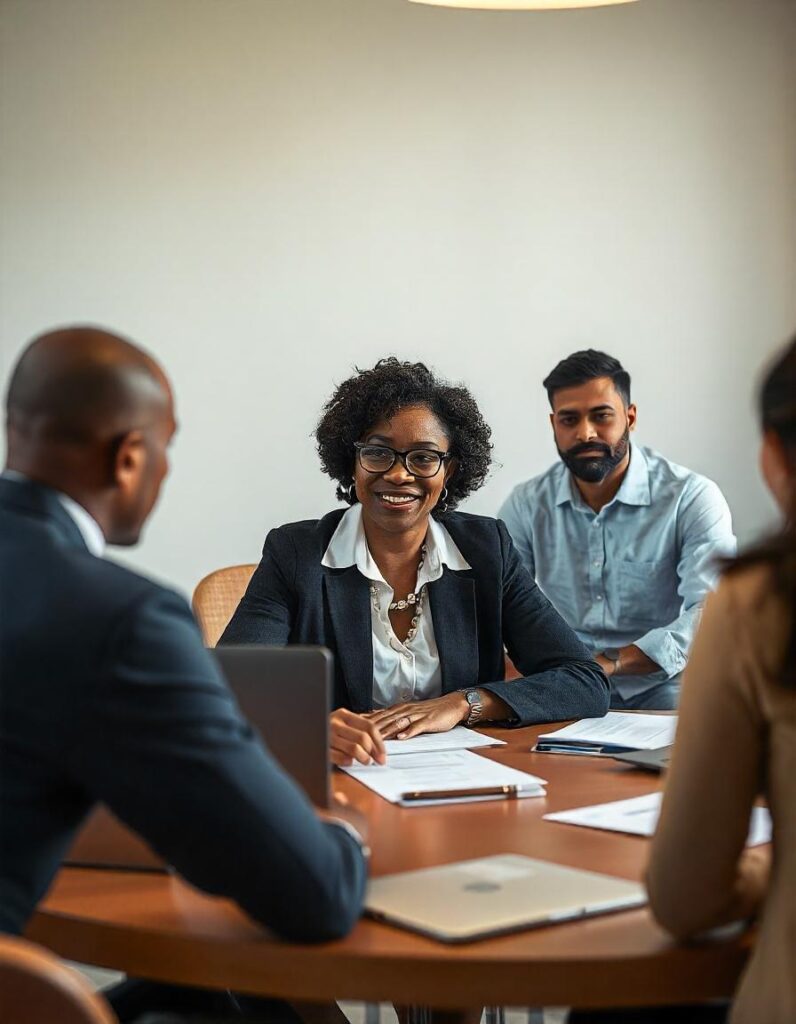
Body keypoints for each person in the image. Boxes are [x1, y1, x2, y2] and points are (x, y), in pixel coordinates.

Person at [0, 327, 367, 1017]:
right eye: (168, 446)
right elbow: (313, 895)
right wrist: (343, 832)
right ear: (131, 457)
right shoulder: (121, 618)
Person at [220, 357, 609, 764]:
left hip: (463, 780)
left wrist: (464, 703)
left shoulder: (486, 550)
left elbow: (584, 681)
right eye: (378, 453)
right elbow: (230, 686)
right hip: (344, 782)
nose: (400, 475)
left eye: (423, 458)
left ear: (449, 470)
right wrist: (309, 726)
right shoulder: (296, 553)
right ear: (352, 463)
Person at [645, 334, 796, 1024]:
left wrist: (774, 869)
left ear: (771, 457)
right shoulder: (527, 507)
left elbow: (686, 897)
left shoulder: (762, 605)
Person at [499, 349, 735, 711]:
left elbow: (712, 612)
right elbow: (500, 608)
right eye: (569, 419)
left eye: (601, 416)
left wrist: (607, 663)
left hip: (665, 686)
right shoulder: (527, 505)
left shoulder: (691, 498)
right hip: (565, 687)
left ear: (630, 416)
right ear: (553, 424)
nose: (585, 432)